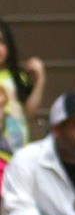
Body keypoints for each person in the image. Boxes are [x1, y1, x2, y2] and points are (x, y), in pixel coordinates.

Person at [0, 17, 46, 158]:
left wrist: (40, 80)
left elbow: (28, 112)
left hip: (18, 153)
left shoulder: (17, 76)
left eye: (2, 42)